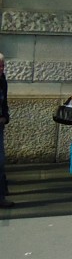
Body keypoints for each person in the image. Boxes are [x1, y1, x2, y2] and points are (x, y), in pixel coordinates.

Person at [0, 53, 12, 208]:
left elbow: (5, 103)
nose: (2, 69)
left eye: (3, 66)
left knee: (0, 161)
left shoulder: (2, 81)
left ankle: (1, 194)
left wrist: (5, 117)